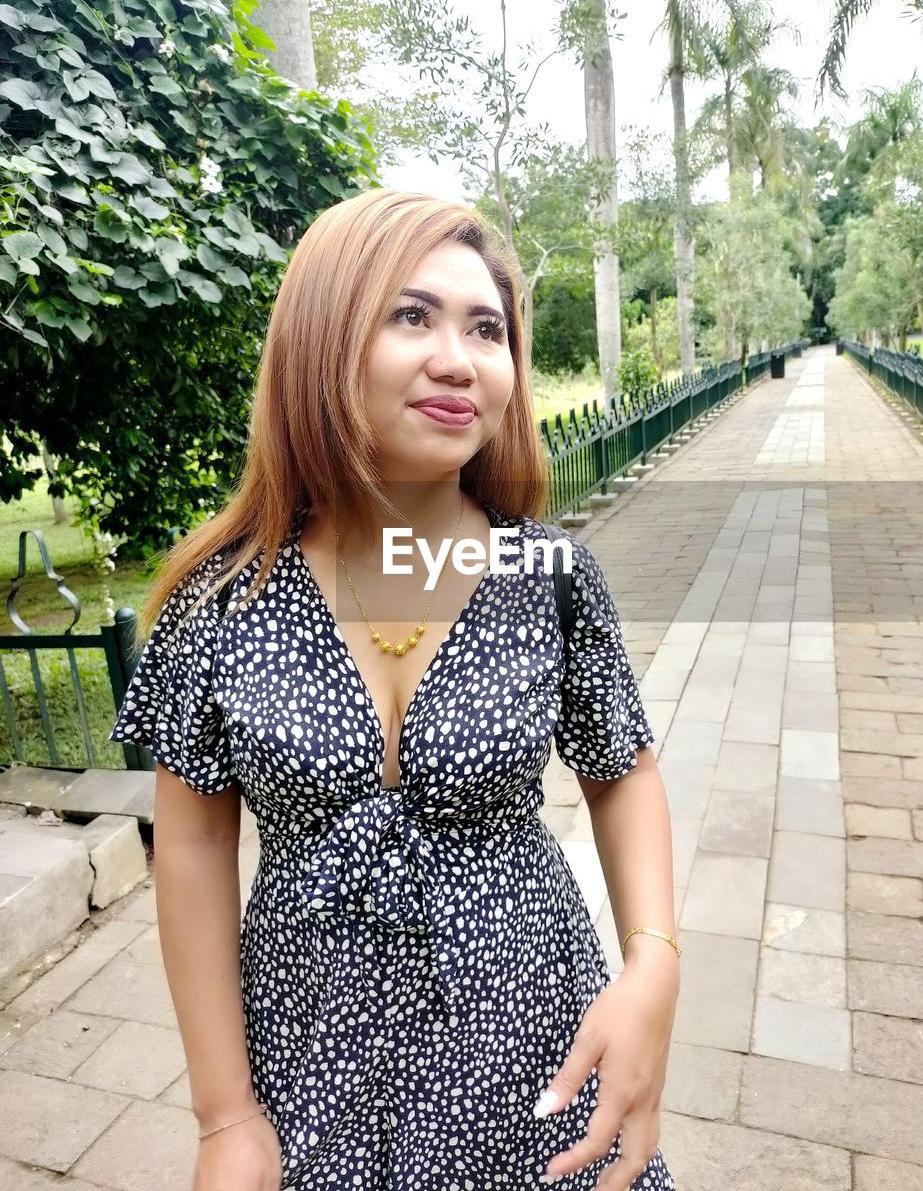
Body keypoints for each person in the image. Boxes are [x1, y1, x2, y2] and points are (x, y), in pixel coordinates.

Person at [109, 189, 680, 1191]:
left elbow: (621, 766)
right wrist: (223, 1114)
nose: (459, 359)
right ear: (324, 338)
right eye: (412, 315)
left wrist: (655, 962)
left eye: (486, 329)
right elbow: (193, 843)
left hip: (531, 1035)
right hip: (311, 1054)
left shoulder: (548, 577)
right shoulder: (221, 600)